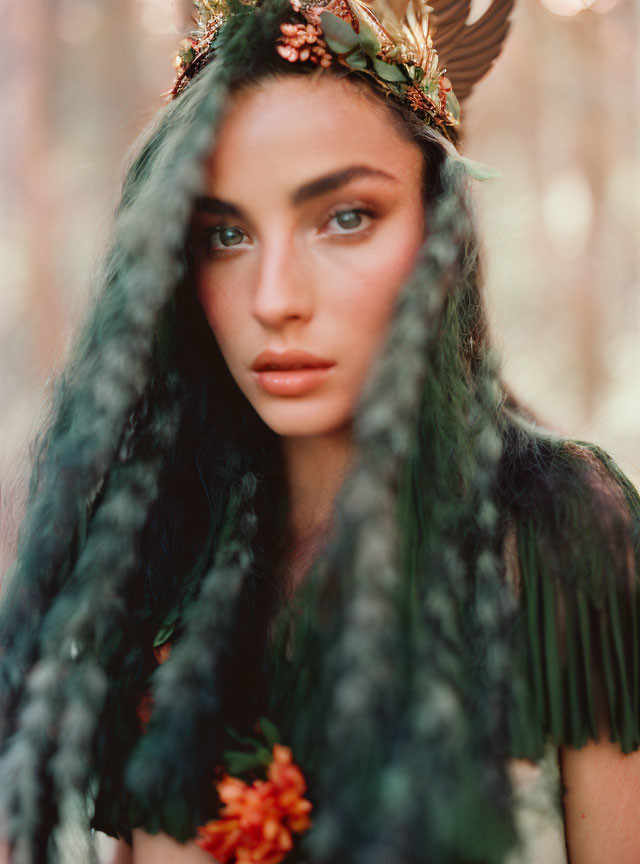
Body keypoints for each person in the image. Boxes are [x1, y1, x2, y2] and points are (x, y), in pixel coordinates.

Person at [1, 1, 639, 862]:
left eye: (345, 217)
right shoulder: (161, 552)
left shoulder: (561, 532)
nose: (274, 298)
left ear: (438, 236)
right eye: (224, 234)